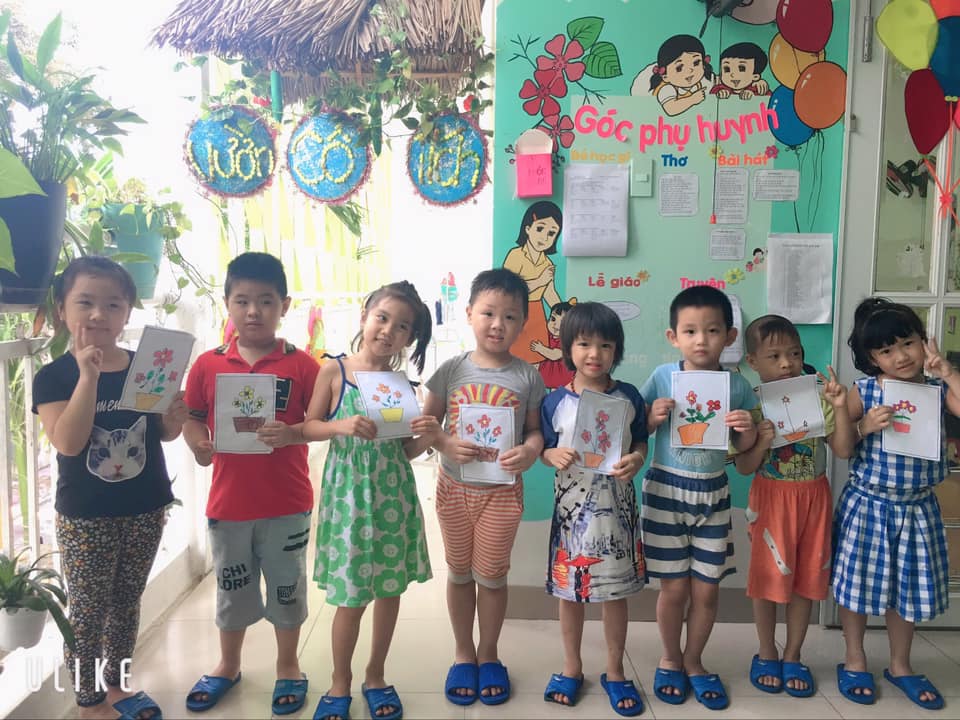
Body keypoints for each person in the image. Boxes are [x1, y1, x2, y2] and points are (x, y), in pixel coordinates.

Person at [33, 256, 187, 720]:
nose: (99, 314)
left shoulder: (149, 366)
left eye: (113, 305)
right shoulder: (54, 377)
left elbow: (161, 434)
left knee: (126, 603)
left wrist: (174, 418)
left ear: (127, 314)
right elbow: (68, 442)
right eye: (85, 302)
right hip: (86, 515)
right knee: (87, 611)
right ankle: (89, 701)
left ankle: (117, 686)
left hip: (146, 505)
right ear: (62, 310)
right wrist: (88, 377)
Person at [182, 252, 319, 716]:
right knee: (232, 586)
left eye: (266, 301)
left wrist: (293, 433)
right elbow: (193, 417)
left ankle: (288, 665)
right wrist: (199, 445)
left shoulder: (303, 366)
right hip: (229, 504)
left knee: (287, 586)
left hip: (287, 502)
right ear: (227, 304)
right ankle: (228, 664)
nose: (254, 311)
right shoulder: (207, 365)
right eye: (242, 301)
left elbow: (319, 423)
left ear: (285, 305)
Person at [304, 281, 436, 720]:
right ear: (365, 316)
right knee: (350, 596)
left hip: (392, 497)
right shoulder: (334, 372)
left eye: (402, 327)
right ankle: (339, 681)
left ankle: (375, 674)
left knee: (389, 590)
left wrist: (428, 436)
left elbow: (404, 452)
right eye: (382, 318)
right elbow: (308, 427)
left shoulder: (399, 385)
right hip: (349, 500)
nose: (388, 331)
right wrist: (339, 427)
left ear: (409, 338)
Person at [422, 268, 546, 707]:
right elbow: (428, 425)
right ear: (469, 312)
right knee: (459, 574)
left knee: (492, 578)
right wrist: (444, 442)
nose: (498, 324)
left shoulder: (528, 377)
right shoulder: (450, 370)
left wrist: (530, 451)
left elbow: (535, 432)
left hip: (502, 494)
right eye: (489, 313)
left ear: (522, 323)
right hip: (453, 490)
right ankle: (463, 653)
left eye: (510, 317)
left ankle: (489, 653)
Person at [833, 297, 960, 710]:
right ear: (872, 358)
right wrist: (862, 426)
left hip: (918, 508)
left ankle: (900, 665)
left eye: (907, 343)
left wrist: (948, 372)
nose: (900, 356)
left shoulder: (938, 389)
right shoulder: (866, 390)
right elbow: (841, 448)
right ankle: (854, 658)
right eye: (886, 350)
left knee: (907, 590)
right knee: (857, 587)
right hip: (869, 506)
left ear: (923, 341)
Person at [640, 285, 758, 710]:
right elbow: (636, 431)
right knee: (673, 589)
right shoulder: (662, 377)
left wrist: (746, 429)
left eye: (712, 330)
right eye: (690, 331)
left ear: (729, 336)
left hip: (713, 495)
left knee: (707, 591)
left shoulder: (738, 386)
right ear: (673, 337)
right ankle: (670, 658)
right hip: (666, 491)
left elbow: (743, 449)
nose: (701, 340)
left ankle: (694, 660)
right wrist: (652, 417)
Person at [734, 315, 854, 697]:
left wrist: (839, 406)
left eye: (795, 353)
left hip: (814, 499)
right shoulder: (751, 405)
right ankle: (767, 651)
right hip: (771, 498)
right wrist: (760, 441)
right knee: (767, 578)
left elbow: (843, 450)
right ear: (753, 361)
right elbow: (744, 467)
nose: (787, 363)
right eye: (774, 356)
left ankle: (793, 654)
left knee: (806, 578)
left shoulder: (818, 396)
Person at [540, 302, 648, 716]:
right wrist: (550, 455)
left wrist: (637, 458)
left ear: (616, 350)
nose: (594, 354)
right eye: (584, 343)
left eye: (605, 345)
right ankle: (572, 666)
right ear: (568, 347)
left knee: (615, 594)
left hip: (616, 510)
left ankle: (615, 671)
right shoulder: (554, 401)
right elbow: (544, 448)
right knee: (571, 593)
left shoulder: (629, 396)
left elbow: (641, 441)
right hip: (572, 513)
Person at [502, 201, 564, 365]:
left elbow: (550, 294)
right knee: (512, 360)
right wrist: (539, 281)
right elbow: (509, 290)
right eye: (540, 229)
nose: (544, 237)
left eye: (552, 233)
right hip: (516, 313)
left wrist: (567, 313)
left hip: (537, 315)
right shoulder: (515, 255)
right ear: (528, 228)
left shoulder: (547, 263)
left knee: (536, 361)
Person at [648, 34, 715, 116]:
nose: (690, 70)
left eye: (696, 63)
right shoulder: (667, 89)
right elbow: (670, 109)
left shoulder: (704, 82)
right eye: (679, 68)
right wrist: (693, 99)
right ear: (665, 77)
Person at [530, 298, 577, 389]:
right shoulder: (547, 335)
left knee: (557, 392)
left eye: (563, 323)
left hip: (561, 378)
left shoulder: (567, 341)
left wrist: (540, 348)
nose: (555, 325)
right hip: (545, 375)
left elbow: (555, 355)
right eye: (553, 319)